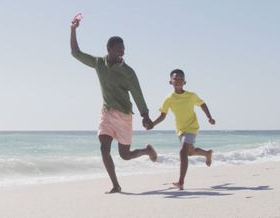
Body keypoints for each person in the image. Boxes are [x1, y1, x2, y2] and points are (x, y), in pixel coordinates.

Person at [70, 14, 157, 194]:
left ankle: (146, 151)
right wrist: (73, 29)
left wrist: (145, 115)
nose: (121, 52)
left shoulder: (128, 72)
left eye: (123, 50)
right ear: (108, 48)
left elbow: (137, 93)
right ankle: (116, 185)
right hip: (107, 113)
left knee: (125, 155)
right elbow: (76, 53)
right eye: (118, 49)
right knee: (104, 148)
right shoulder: (98, 63)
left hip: (124, 115)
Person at [151, 69, 216, 190]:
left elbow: (202, 104)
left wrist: (209, 117)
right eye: (175, 79)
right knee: (189, 152)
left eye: (181, 79)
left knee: (182, 152)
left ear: (185, 82)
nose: (178, 81)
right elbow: (163, 115)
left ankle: (181, 182)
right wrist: (153, 124)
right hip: (180, 129)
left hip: (192, 127)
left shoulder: (191, 96)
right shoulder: (169, 98)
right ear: (170, 82)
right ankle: (207, 154)